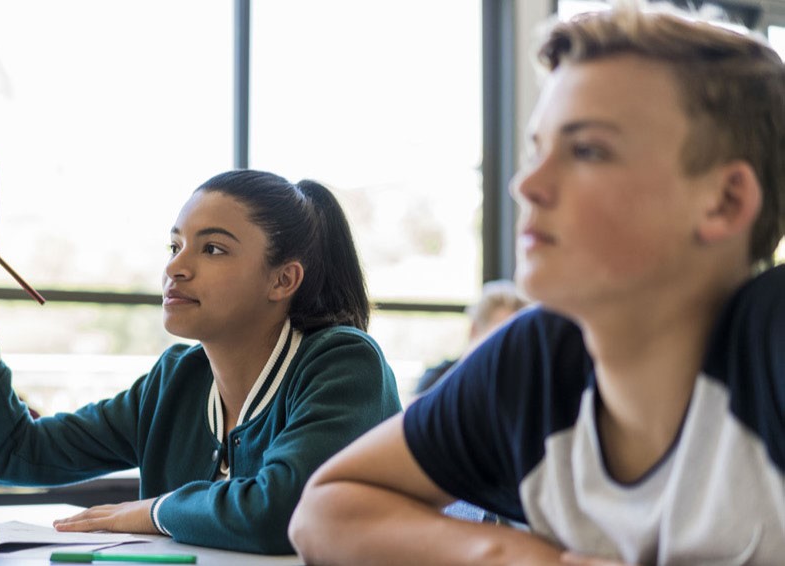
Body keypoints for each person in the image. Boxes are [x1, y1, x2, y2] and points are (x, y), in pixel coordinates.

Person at [289, 3, 785, 564]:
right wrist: (519, 558)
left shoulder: (772, 341)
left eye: (588, 150)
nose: (527, 184)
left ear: (725, 201)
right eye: (536, 150)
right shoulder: (537, 359)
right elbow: (325, 509)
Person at [0, 154, 401, 554]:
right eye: (175, 245)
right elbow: (10, 454)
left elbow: (278, 511)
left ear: (282, 280)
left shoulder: (344, 363)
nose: (175, 267)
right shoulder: (177, 380)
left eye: (213, 249)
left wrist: (152, 511)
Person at [413, 279, 528, 395]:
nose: (505, 348)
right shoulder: (435, 383)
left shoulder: (518, 388)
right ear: (474, 330)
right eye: (498, 338)